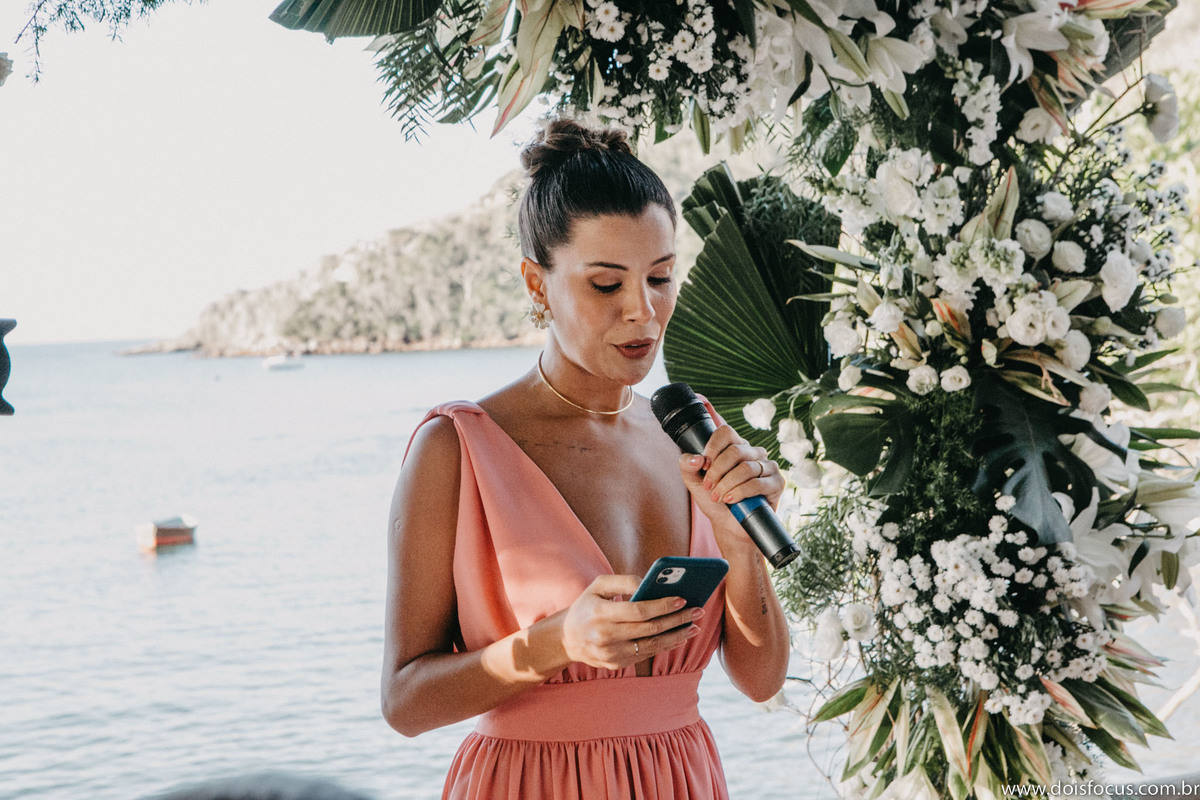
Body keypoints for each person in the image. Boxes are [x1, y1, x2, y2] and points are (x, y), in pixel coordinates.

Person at [381, 118, 790, 800]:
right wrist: (558, 643)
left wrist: (738, 543)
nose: (645, 313)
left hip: (680, 781)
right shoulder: (455, 449)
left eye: (661, 278)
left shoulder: (695, 435)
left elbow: (762, 679)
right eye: (606, 286)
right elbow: (403, 702)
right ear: (536, 284)